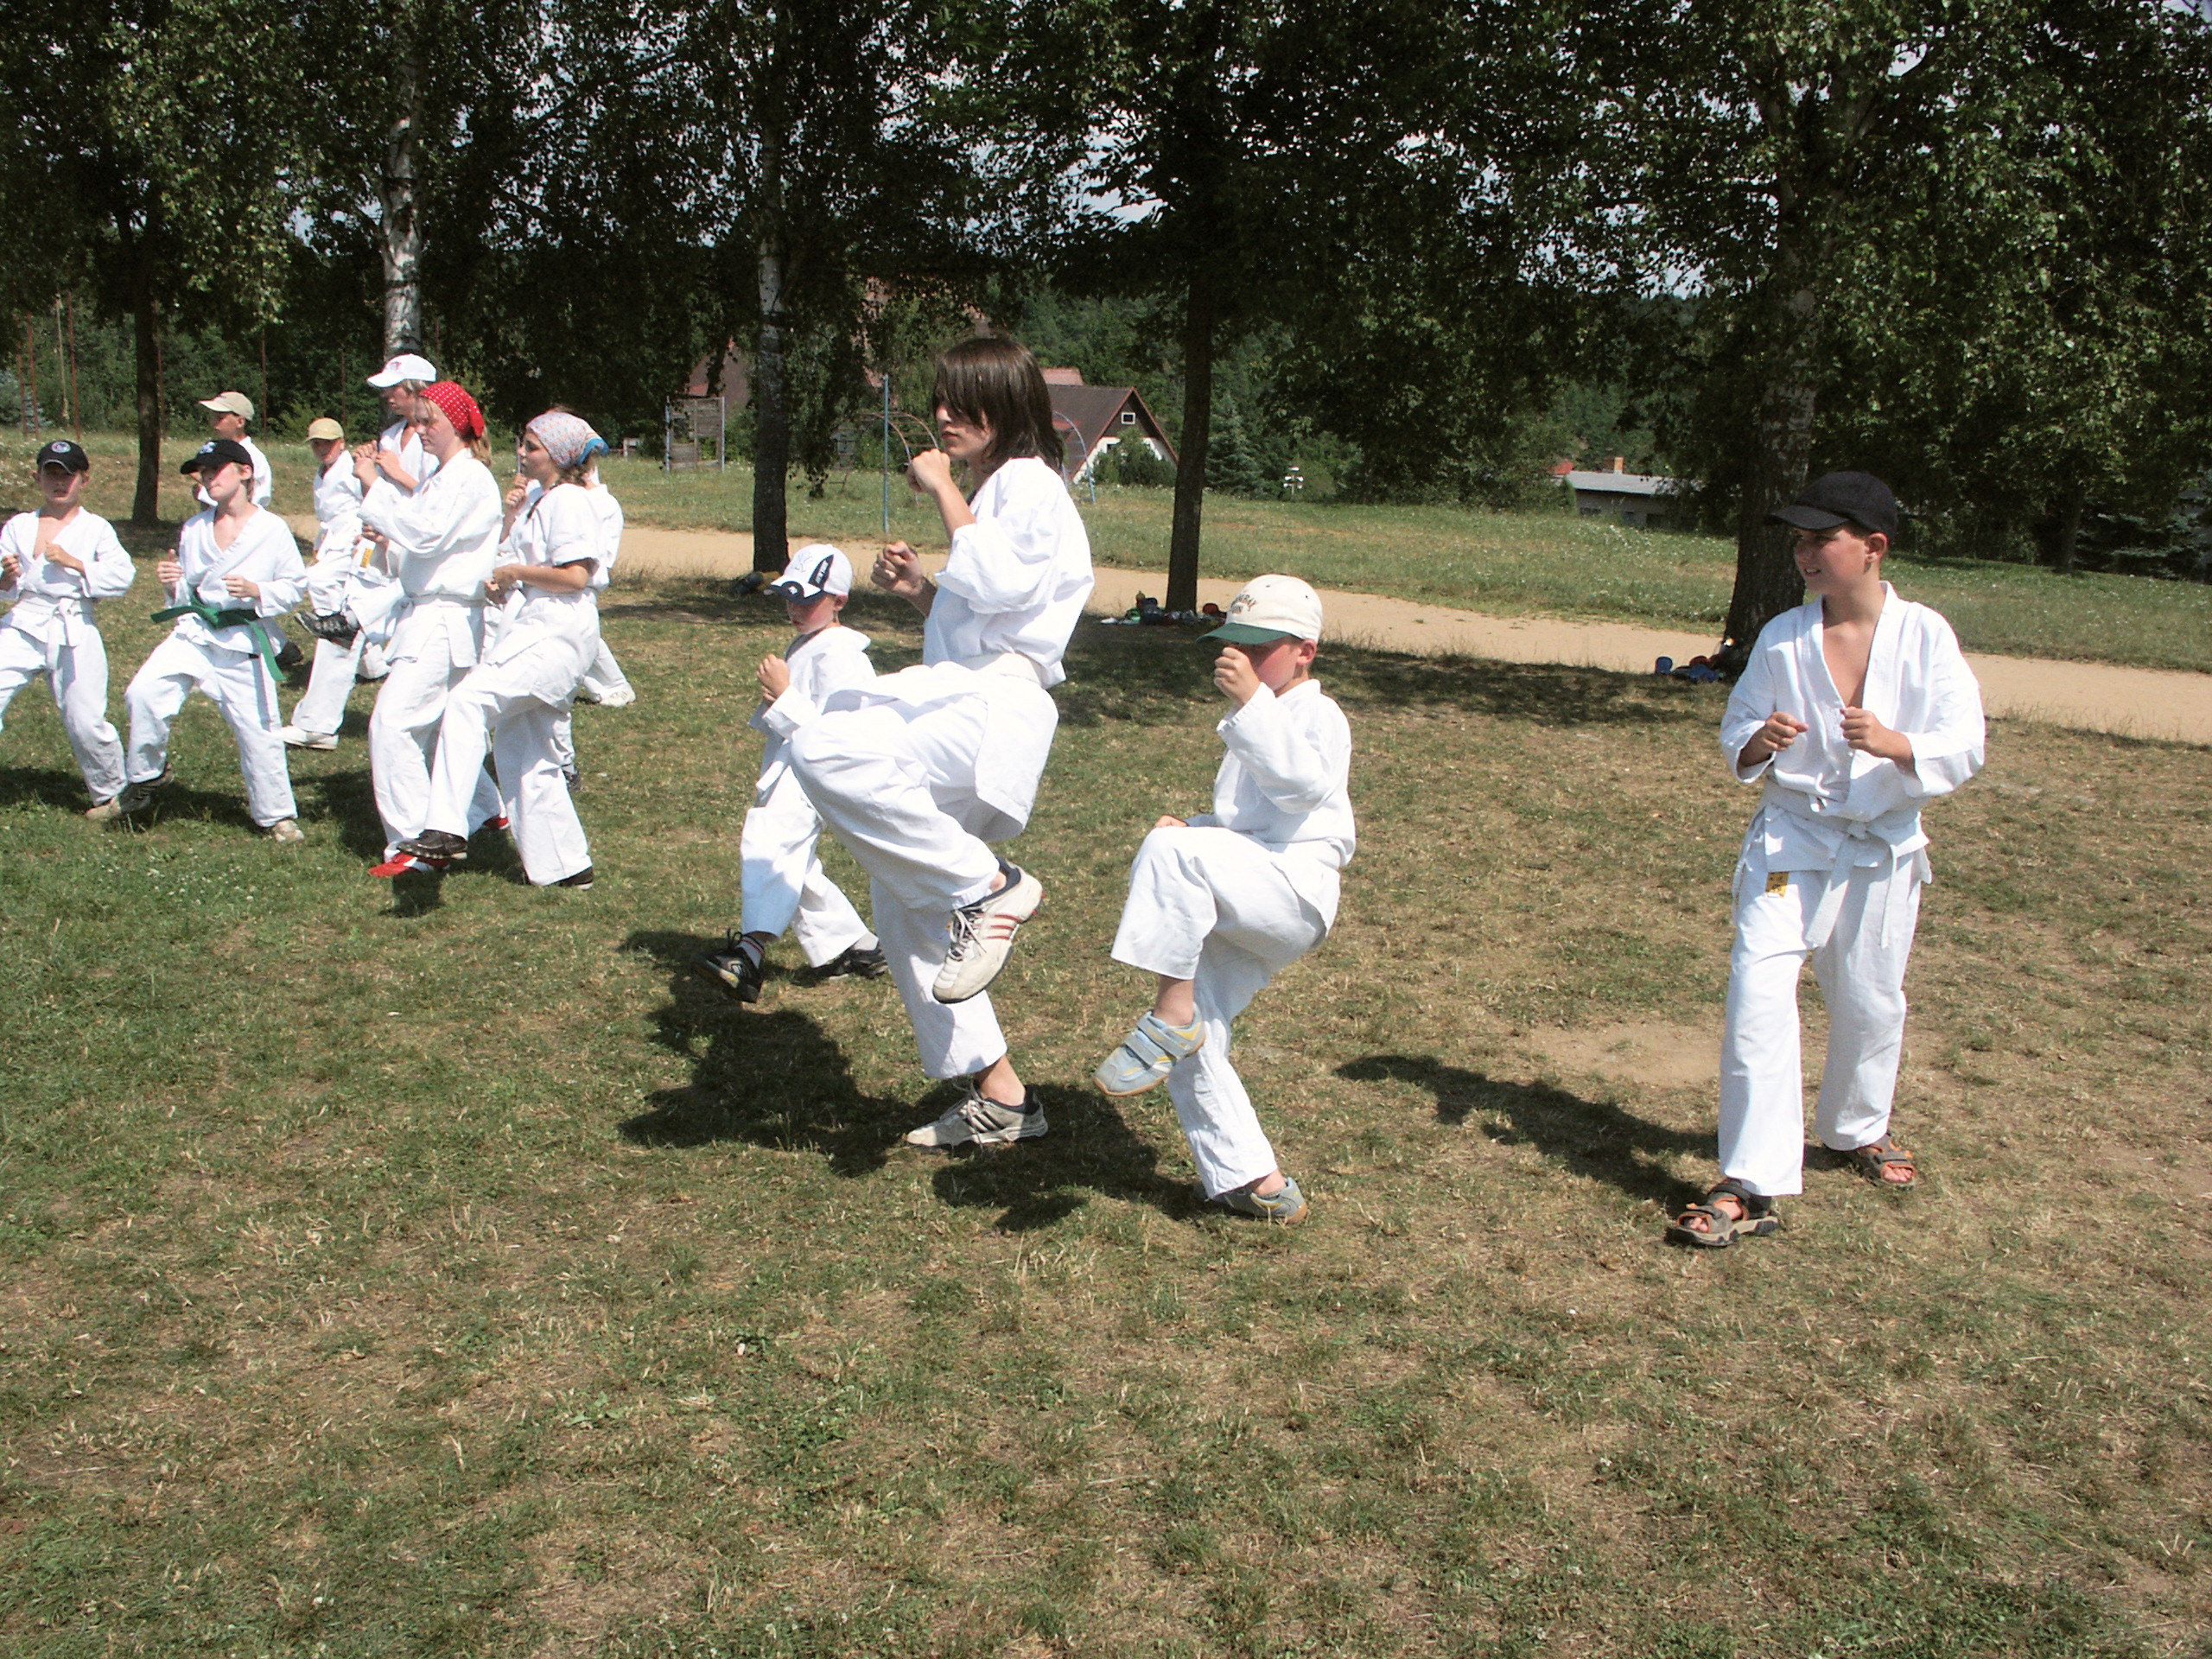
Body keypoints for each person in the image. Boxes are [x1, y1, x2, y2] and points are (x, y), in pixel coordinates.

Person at [785, 334, 1092, 1148]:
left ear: (1006, 405)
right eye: (940, 401)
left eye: (964, 402)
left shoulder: (1027, 482)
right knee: (903, 897)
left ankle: (991, 886)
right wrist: (922, 592)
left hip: (994, 706)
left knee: (824, 747)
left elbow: (996, 582)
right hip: (976, 697)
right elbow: (984, 614)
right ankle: (1003, 1097)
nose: (945, 415)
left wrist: (945, 488)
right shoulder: (1002, 491)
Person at [1669, 472, 1986, 1248]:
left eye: (1822, 539)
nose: (1805, 554)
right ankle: (1751, 1178)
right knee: (1757, 992)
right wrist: (1760, 741)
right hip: (1793, 841)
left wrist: (1896, 743)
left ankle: (1856, 1128)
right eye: (1799, 541)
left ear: (1873, 547)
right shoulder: (1782, 636)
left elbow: (1965, 741)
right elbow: (1738, 730)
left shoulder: (1926, 636)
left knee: (1871, 997)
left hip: (1881, 847)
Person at [1092, 576, 1353, 1225]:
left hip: (1295, 891)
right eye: (1234, 642)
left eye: (1260, 647)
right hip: (1256, 886)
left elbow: (1300, 791)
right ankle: (1256, 1181)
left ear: (1305, 652)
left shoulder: (1317, 715)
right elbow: (1250, 822)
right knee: (1198, 1037)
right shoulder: (1259, 716)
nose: (1241, 656)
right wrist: (1200, 826)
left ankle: (1170, 1012)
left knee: (1171, 856)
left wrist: (1251, 703)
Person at [392, 410, 606, 888]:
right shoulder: (540, 499)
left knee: (468, 702)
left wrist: (516, 574)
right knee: (523, 749)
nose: (521, 453)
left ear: (559, 456)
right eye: (522, 444)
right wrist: (506, 583)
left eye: (532, 446)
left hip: (559, 630)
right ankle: (566, 866)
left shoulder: (570, 499)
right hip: (537, 624)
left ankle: (446, 827)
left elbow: (577, 576)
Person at [694, 544, 887, 1003]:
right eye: (789, 599)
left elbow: (840, 735)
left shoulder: (842, 655)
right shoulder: (807, 643)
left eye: (808, 601)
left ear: (839, 601)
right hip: (789, 763)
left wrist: (783, 696)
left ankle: (749, 954)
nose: (795, 610)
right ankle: (853, 947)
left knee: (770, 848)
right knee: (793, 863)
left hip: (812, 772)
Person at [112, 439, 308, 841]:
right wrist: (172, 582)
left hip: (242, 639)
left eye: (217, 469)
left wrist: (257, 589)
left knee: (258, 729)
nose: (208, 477)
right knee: (143, 692)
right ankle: (148, 775)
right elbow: (187, 592)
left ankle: (276, 815)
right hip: (196, 632)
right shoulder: (195, 528)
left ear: (245, 472)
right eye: (204, 471)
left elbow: (294, 587)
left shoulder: (271, 529)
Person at [356, 380, 506, 876]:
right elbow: (417, 548)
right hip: (429, 612)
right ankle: (484, 809)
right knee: (445, 724)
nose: (419, 430)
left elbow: (426, 536)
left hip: (445, 617)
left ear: (457, 425)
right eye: (416, 421)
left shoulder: (471, 478)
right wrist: (387, 537)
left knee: (393, 723)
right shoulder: (441, 478)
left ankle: (411, 844)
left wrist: (375, 487)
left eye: (429, 421)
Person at [1, 440, 136, 816]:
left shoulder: (96, 528)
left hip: (74, 622)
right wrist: (5, 577)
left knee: (85, 719)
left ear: (83, 480)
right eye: (51, 474)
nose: (59, 482)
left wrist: (76, 563)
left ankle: (112, 794)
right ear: (37, 477)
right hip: (25, 621)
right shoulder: (19, 525)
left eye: (68, 475)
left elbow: (122, 577)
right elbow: (6, 584)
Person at [281, 417, 374, 750]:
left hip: (355, 537)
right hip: (332, 537)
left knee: (322, 582)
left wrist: (367, 532)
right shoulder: (321, 473)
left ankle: (334, 623)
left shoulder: (352, 467)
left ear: (342, 442)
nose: (322, 448)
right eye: (317, 443)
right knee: (338, 592)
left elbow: (371, 498)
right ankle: (371, 660)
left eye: (328, 442)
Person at [195, 392, 273, 507]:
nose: (214, 423)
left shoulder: (253, 457)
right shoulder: (214, 450)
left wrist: (202, 494)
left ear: (240, 422)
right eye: (213, 417)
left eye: (220, 418)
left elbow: (254, 502)